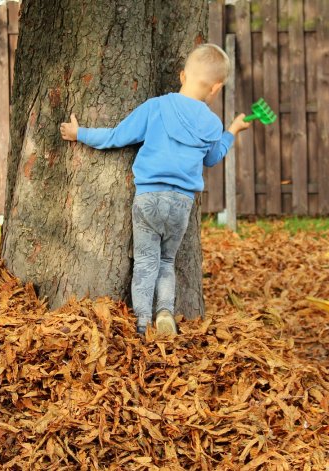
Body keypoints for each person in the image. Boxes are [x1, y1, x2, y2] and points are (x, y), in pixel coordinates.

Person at [60, 44, 251, 337]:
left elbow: (116, 137)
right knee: (166, 261)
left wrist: (79, 133)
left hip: (149, 198)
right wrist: (232, 131)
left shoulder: (157, 107)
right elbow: (212, 159)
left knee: (146, 262)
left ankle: (141, 323)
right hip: (181, 204)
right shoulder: (212, 123)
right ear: (216, 88)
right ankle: (165, 311)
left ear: (183, 75)